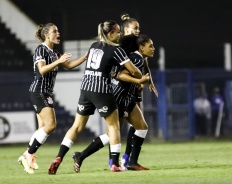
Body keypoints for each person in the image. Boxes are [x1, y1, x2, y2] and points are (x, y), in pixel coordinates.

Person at [47, 20, 143, 174]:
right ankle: (115, 164)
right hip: (101, 90)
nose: (119, 35)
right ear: (110, 33)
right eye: (118, 32)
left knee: (76, 127)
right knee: (114, 127)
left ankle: (59, 157)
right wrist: (141, 78)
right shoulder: (116, 50)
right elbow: (134, 71)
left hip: (85, 89)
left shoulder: (93, 46)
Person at [71, 34, 155, 172]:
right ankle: (82, 155)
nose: (153, 48)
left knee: (142, 127)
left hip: (127, 99)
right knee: (112, 134)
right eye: (150, 46)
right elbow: (120, 74)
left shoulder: (139, 58)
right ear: (141, 47)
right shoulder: (136, 59)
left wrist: (142, 84)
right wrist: (138, 81)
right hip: (120, 98)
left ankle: (131, 162)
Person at [17, 23, 87, 174]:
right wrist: (59, 62)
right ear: (47, 35)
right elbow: (42, 70)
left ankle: (27, 155)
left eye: (58, 30)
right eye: (55, 31)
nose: (58, 33)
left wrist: (86, 56)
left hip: (45, 92)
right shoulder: (41, 49)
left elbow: (69, 65)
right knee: (50, 126)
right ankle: (28, 154)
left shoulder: (54, 52)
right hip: (39, 91)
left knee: (42, 128)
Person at [116, 12, 158, 170]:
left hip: (134, 88)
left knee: (138, 124)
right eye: (135, 28)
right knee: (115, 129)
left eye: (138, 28)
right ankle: (115, 161)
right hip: (122, 89)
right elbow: (118, 70)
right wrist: (138, 80)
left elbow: (144, 65)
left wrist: (149, 82)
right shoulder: (121, 45)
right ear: (126, 30)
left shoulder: (138, 44)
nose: (137, 30)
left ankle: (126, 158)